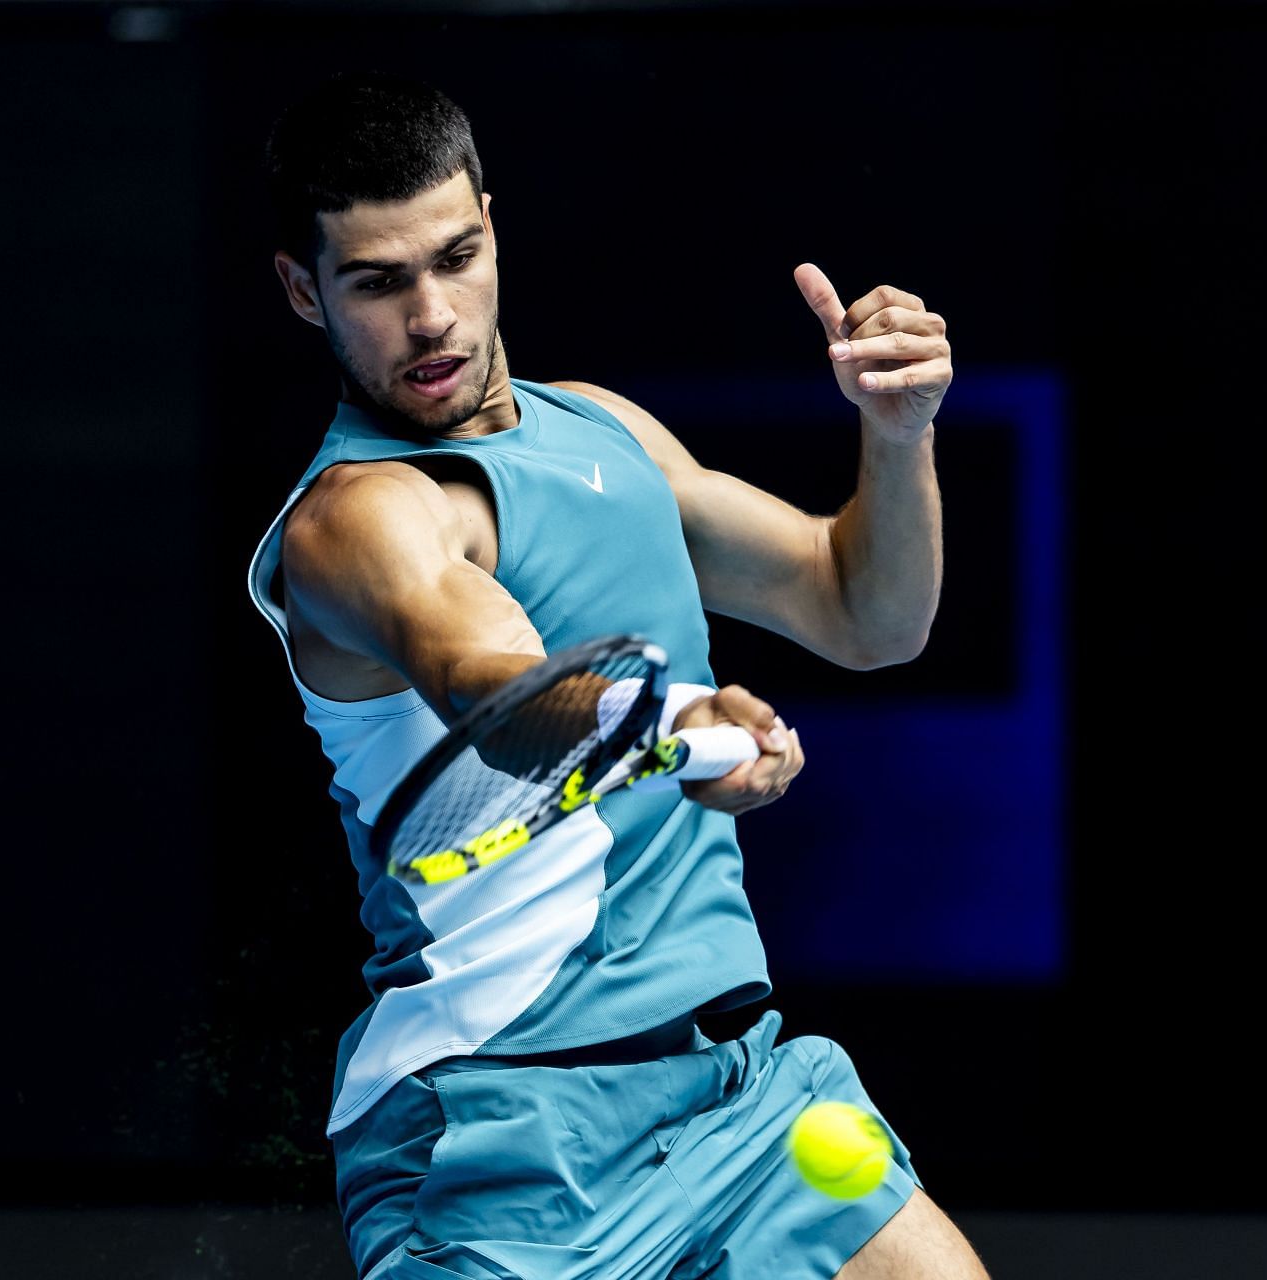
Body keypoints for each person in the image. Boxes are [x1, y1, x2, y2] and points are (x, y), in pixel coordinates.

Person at [247, 72, 987, 1280]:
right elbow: (500, 689)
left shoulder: (602, 432)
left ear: (492, 224)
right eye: (377, 282)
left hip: (740, 1092)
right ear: (302, 289)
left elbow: (865, 610)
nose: (431, 315)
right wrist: (689, 719)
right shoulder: (359, 517)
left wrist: (898, 436)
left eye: (455, 257)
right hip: (506, 1137)